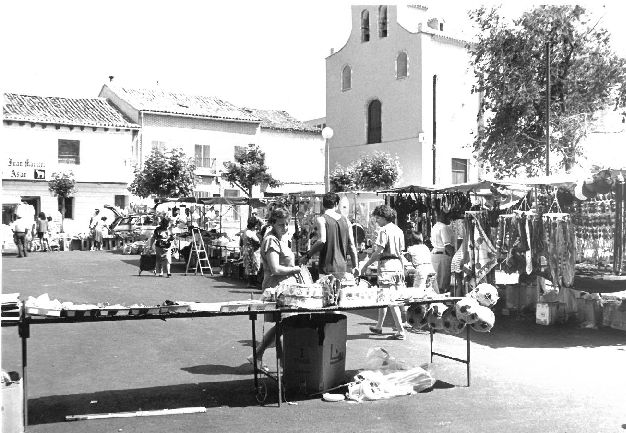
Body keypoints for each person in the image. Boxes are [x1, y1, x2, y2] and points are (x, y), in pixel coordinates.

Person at [247, 207, 303, 369]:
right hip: (277, 289)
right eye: (281, 225)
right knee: (285, 325)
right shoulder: (271, 240)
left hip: (285, 288)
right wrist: (296, 269)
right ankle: (281, 365)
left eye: (287, 224)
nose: (285, 228)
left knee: (282, 326)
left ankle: (265, 357)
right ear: (272, 224)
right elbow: (275, 269)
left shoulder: (280, 239)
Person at [360, 205, 407, 340]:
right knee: (384, 296)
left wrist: (366, 265)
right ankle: (379, 326)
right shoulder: (399, 230)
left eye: (378, 218)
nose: (377, 221)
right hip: (397, 265)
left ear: (385, 218)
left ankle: (400, 331)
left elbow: (379, 251)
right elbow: (401, 252)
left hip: (387, 266)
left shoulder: (383, 231)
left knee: (391, 299)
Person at [299, 192, 359, 279]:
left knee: (327, 292)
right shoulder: (346, 221)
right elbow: (352, 246)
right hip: (342, 268)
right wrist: (355, 266)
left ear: (323, 205)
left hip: (326, 268)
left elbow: (322, 240)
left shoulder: (321, 219)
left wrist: (307, 256)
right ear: (336, 204)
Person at [431, 212, 454, 294]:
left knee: (435, 283)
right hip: (443, 256)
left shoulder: (435, 226)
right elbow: (447, 245)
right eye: (449, 218)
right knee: (442, 284)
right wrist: (454, 256)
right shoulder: (444, 227)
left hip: (435, 256)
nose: (450, 220)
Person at [241, 216, 262, 287]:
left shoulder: (245, 231)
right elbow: (257, 241)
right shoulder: (250, 232)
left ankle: (250, 282)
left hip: (246, 249)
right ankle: (252, 282)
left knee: (248, 266)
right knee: (254, 266)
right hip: (252, 251)